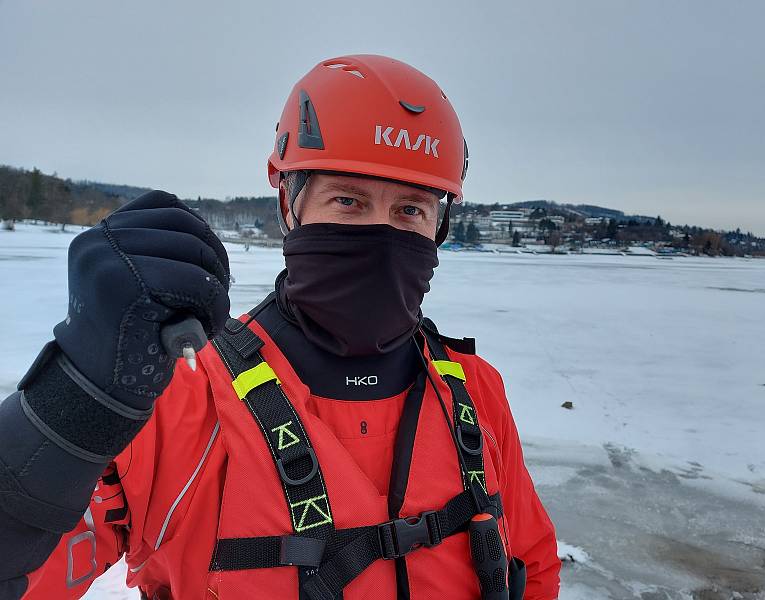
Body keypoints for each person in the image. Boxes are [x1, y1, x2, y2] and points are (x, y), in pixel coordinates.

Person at [0, 55, 559, 599]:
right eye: (348, 200)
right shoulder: (182, 395)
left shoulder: (473, 392)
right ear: (289, 205)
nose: (381, 236)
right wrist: (74, 400)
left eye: (411, 210)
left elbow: (532, 567)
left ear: (440, 225)